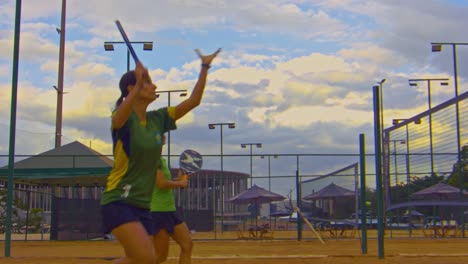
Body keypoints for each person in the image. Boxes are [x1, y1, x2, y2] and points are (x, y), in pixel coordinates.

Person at [100, 48, 221, 264]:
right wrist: (139, 83)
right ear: (132, 88)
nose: (155, 86)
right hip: (119, 199)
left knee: (145, 259)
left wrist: (204, 66)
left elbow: (194, 100)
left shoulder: (158, 118)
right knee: (146, 258)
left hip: (143, 205)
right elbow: (118, 119)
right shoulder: (124, 118)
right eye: (149, 82)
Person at [151, 135, 192, 264]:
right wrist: (180, 184)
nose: (162, 136)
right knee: (160, 257)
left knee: (187, 245)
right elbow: (161, 184)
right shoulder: (152, 159)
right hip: (157, 212)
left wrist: (178, 180)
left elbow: (162, 183)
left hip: (169, 210)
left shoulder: (160, 160)